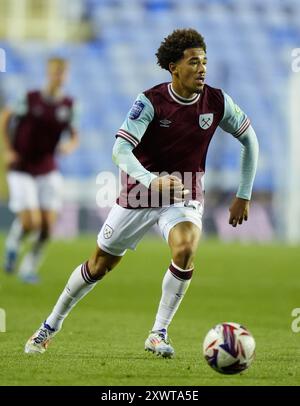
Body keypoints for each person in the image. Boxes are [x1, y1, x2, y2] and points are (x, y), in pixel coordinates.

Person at [25, 29, 258, 356]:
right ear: (174, 67)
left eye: (205, 61)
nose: (202, 68)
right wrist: (151, 180)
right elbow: (120, 150)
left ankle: (158, 333)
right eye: (194, 62)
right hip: (139, 195)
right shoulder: (150, 102)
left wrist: (243, 193)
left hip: (184, 194)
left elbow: (250, 140)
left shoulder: (217, 101)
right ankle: (50, 325)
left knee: (185, 249)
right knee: (98, 266)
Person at [1, 57, 79, 283]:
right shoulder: (29, 98)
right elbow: (5, 118)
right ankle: (14, 243)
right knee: (30, 222)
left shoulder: (69, 106)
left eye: (63, 73)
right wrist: (8, 149)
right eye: (56, 72)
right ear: (48, 73)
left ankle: (28, 268)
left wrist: (70, 146)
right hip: (22, 166)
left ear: (67, 76)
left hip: (47, 167)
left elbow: (75, 135)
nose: (59, 76)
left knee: (46, 227)